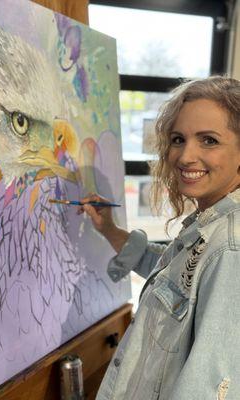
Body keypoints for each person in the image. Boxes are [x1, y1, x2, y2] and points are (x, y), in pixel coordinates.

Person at [79, 76, 240, 400]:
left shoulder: (230, 247)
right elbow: (179, 279)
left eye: (208, 140)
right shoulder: (212, 224)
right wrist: (110, 230)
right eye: (178, 139)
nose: (184, 156)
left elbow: (208, 390)